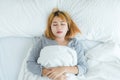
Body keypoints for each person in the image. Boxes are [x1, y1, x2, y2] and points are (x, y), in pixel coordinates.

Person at [26, 8, 88, 80]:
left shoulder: (75, 43)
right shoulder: (42, 41)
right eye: (55, 24)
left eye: (62, 24)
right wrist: (50, 73)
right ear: (50, 27)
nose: (59, 27)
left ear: (68, 27)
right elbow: (30, 63)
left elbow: (83, 67)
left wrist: (63, 69)